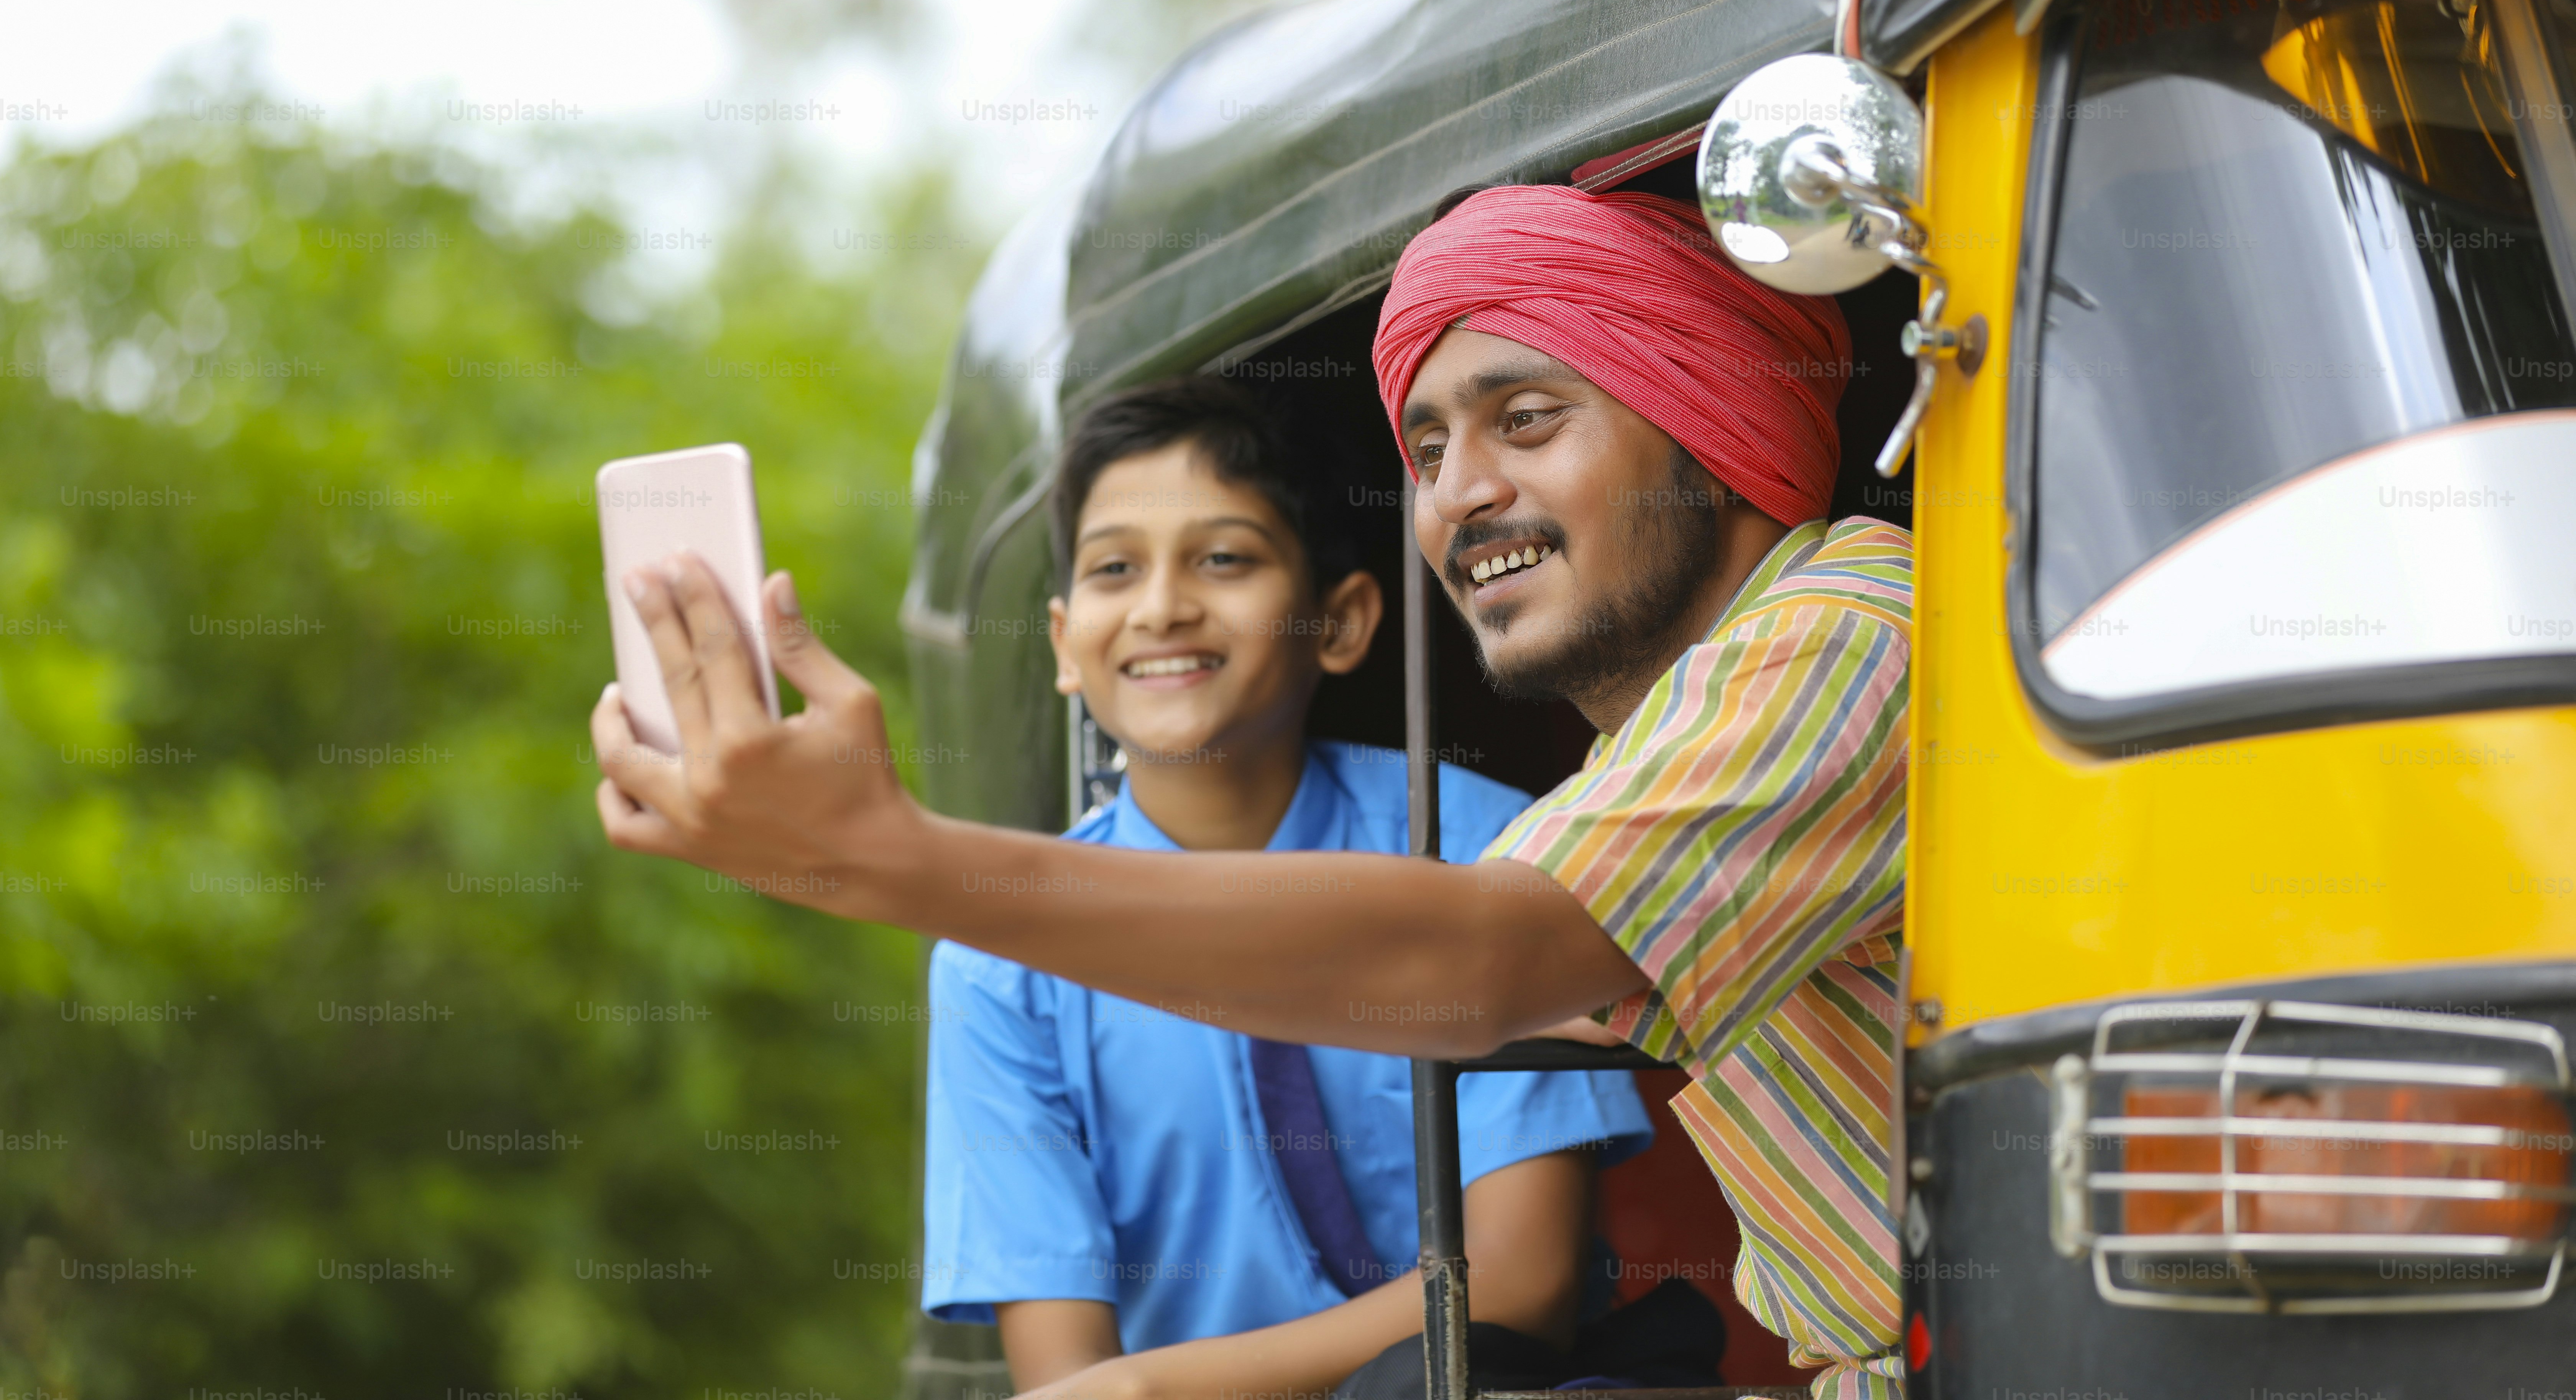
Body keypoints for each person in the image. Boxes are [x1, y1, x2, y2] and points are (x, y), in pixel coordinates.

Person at [590, 183, 1914, 1397]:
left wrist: (897, 859)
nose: (1463, 495)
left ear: (1708, 411)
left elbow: (1481, 963)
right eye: (1429, 449)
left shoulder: (1844, 631)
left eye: (1527, 420)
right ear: (1058, 638)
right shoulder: (1641, 772)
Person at [922, 375, 1650, 1398]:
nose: (1163, 608)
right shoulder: (1002, 965)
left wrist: (1148, 1390)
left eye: (1224, 560)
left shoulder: (1489, 850)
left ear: (1342, 622)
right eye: (1114, 570)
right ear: (1063, 646)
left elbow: (1516, 1289)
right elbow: (1063, 1374)